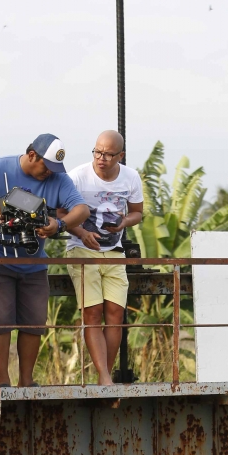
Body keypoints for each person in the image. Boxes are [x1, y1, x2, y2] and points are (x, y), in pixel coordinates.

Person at [0, 135, 89, 386]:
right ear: (32, 154)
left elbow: (82, 210)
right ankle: (0, 380)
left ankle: (26, 380)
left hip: (33, 262)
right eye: (46, 166)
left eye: (54, 169)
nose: (49, 173)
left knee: (34, 322)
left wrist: (58, 224)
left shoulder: (58, 179)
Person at [65, 131, 144, 385]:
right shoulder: (77, 176)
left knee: (115, 313)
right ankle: (105, 376)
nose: (101, 158)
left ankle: (105, 375)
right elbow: (59, 213)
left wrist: (123, 222)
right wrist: (81, 232)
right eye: (97, 152)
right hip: (81, 248)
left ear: (120, 155)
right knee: (93, 312)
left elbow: (137, 213)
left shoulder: (130, 177)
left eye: (108, 154)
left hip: (114, 251)